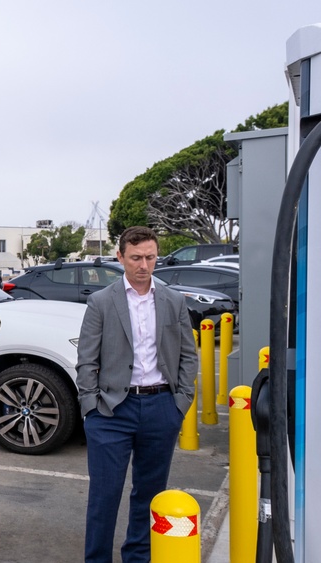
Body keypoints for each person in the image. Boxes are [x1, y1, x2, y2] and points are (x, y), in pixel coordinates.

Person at [76, 225, 198, 563]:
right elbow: (86, 359)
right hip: (112, 411)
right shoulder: (102, 302)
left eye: (150, 257)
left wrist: (181, 403)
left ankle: (138, 557)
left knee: (149, 493)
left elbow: (189, 354)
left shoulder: (173, 300)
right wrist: (92, 409)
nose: (143, 265)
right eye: (135, 258)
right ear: (120, 257)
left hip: (161, 407)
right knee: (104, 495)